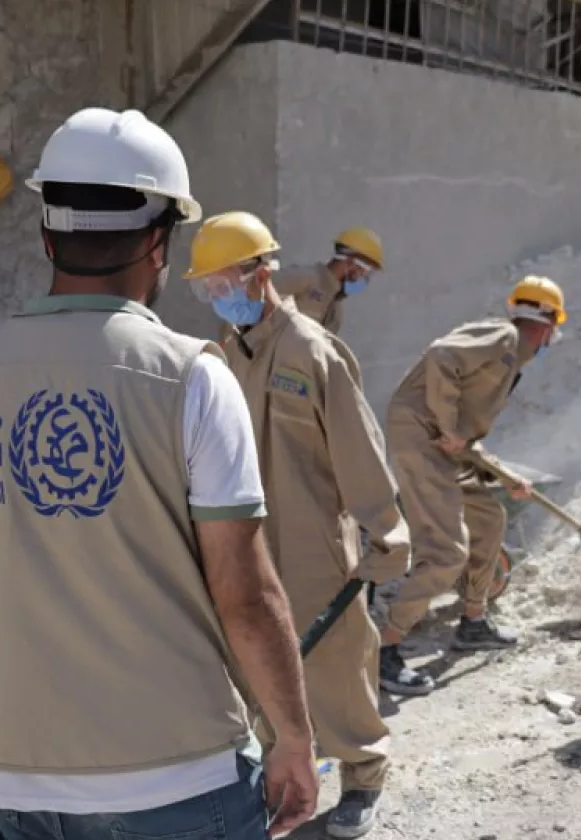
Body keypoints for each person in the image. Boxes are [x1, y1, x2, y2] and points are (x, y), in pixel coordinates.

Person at [0, 108, 317, 840]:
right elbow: (246, 597)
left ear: (45, 234)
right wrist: (294, 737)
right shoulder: (193, 377)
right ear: (161, 240)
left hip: (21, 787)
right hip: (183, 783)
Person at [190, 210, 411, 838]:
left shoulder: (313, 349)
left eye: (225, 280)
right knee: (258, 658)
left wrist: (386, 528)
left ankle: (364, 774)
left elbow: (357, 447)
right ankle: (285, 773)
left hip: (314, 538)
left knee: (337, 663)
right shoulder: (227, 356)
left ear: (261, 274)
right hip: (248, 536)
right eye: (207, 286)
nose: (217, 295)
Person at [373, 276, 564, 696]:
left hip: (443, 445)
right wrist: (447, 425)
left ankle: (473, 622)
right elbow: (442, 356)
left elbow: (467, 439)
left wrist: (506, 476)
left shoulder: (507, 361)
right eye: (553, 330)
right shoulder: (504, 334)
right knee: (447, 551)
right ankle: (383, 649)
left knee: (488, 515)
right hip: (423, 439)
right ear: (548, 324)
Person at [268, 227, 382, 334]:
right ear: (351, 262)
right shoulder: (303, 278)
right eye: (365, 271)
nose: (364, 278)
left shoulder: (335, 309)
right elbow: (257, 298)